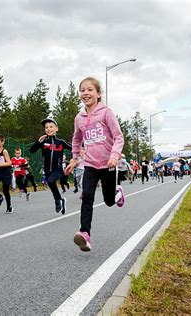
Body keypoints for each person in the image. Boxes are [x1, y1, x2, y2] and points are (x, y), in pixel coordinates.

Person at [65, 77, 125, 252]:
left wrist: (114, 155)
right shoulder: (79, 118)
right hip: (90, 164)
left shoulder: (106, 113)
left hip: (108, 164)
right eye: (82, 90)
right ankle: (85, 233)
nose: (85, 93)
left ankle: (116, 191)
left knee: (108, 201)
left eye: (90, 90)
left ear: (98, 94)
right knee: (87, 196)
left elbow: (118, 136)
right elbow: (76, 140)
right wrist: (75, 158)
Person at [30, 118, 72, 214]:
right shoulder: (43, 142)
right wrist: (38, 142)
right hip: (47, 169)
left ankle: (57, 201)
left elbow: (73, 148)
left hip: (57, 169)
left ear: (56, 129)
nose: (48, 129)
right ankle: (61, 200)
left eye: (51, 127)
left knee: (51, 181)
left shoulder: (61, 142)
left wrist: (77, 155)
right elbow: (32, 150)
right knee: (51, 183)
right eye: (46, 128)